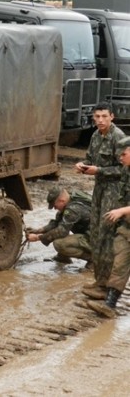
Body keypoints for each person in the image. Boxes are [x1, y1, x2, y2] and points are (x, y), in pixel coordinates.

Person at [75, 102, 126, 300]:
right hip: (99, 189)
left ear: (112, 116)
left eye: (104, 116)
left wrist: (100, 171)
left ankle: (106, 285)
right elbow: (90, 158)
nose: (101, 120)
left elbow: (124, 169)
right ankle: (99, 281)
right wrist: (83, 165)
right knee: (96, 232)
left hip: (114, 191)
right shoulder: (96, 136)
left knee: (106, 235)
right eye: (97, 117)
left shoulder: (118, 137)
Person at [87, 136, 130, 318]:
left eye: (124, 154)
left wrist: (121, 211)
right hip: (127, 227)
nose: (120, 157)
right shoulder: (126, 171)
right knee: (119, 263)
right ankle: (110, 304)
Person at [26, 186, 92, 266]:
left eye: (55, 206)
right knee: (63, 226)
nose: (55, 208)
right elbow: (57, 223)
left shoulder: (73, 209)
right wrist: (39, 230)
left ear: (61, 201)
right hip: (92, 233)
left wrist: (37, 238)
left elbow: (61, 231)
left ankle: (94, 260)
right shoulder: (71, 198)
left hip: (99, 240)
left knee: (59, 243)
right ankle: (63, 257)